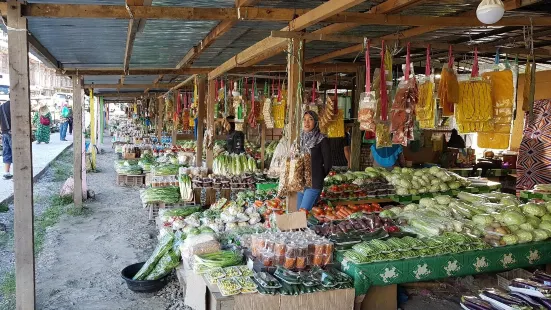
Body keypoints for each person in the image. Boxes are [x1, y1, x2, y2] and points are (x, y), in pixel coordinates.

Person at [297, 111, 332, 211]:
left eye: (310, 119)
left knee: (302, 212)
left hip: (314, 183)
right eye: (304, 119)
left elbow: (328, 163)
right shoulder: (300, 139)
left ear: (316, 122)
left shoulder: (322, 139)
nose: (306, 122)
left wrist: (318, 175)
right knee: (298, 214)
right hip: (300, 183)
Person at [0, 100, 12, 180]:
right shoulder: (15, 105)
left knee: (7, 152)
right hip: (13, 133)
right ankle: (19, 173)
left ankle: (6, 173)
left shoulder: (2, 107)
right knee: (17, 152)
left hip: (4, 132)